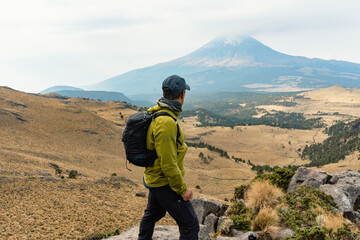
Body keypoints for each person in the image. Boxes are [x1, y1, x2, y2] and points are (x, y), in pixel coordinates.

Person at [138, 75, 199, 240]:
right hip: (164, 181)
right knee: (190, 223)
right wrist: (182, 189)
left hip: (155, 178)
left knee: (152, 214)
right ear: (183, 94)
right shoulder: (166, 123)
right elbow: (168, 163)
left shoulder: (161, 113)